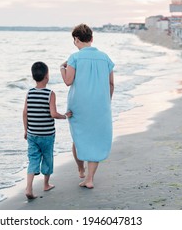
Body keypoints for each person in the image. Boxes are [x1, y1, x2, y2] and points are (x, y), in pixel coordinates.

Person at [60, 24, 114, 189]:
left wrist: (62, 68)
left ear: (76, 39)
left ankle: (80, 169)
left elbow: (68, 81)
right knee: (96, 139)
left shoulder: (74, 58)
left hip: (79, 106)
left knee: (79, 137)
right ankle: (89, 178)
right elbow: (111, 84)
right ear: (91, 39)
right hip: (100, 105)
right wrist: (107, 101)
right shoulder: (105, 58)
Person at [23, 61, 72, 199]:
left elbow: (25, 112)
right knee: (47, 158)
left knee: (33, 159)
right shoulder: (50, 93)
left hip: (32, 133)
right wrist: (64, 116)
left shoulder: (29, 93)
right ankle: (46, 184)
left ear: (33, 77)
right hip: (47, 135)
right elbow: (53, 114)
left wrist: (26, 130)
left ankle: (28, 187)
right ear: (47, 76)